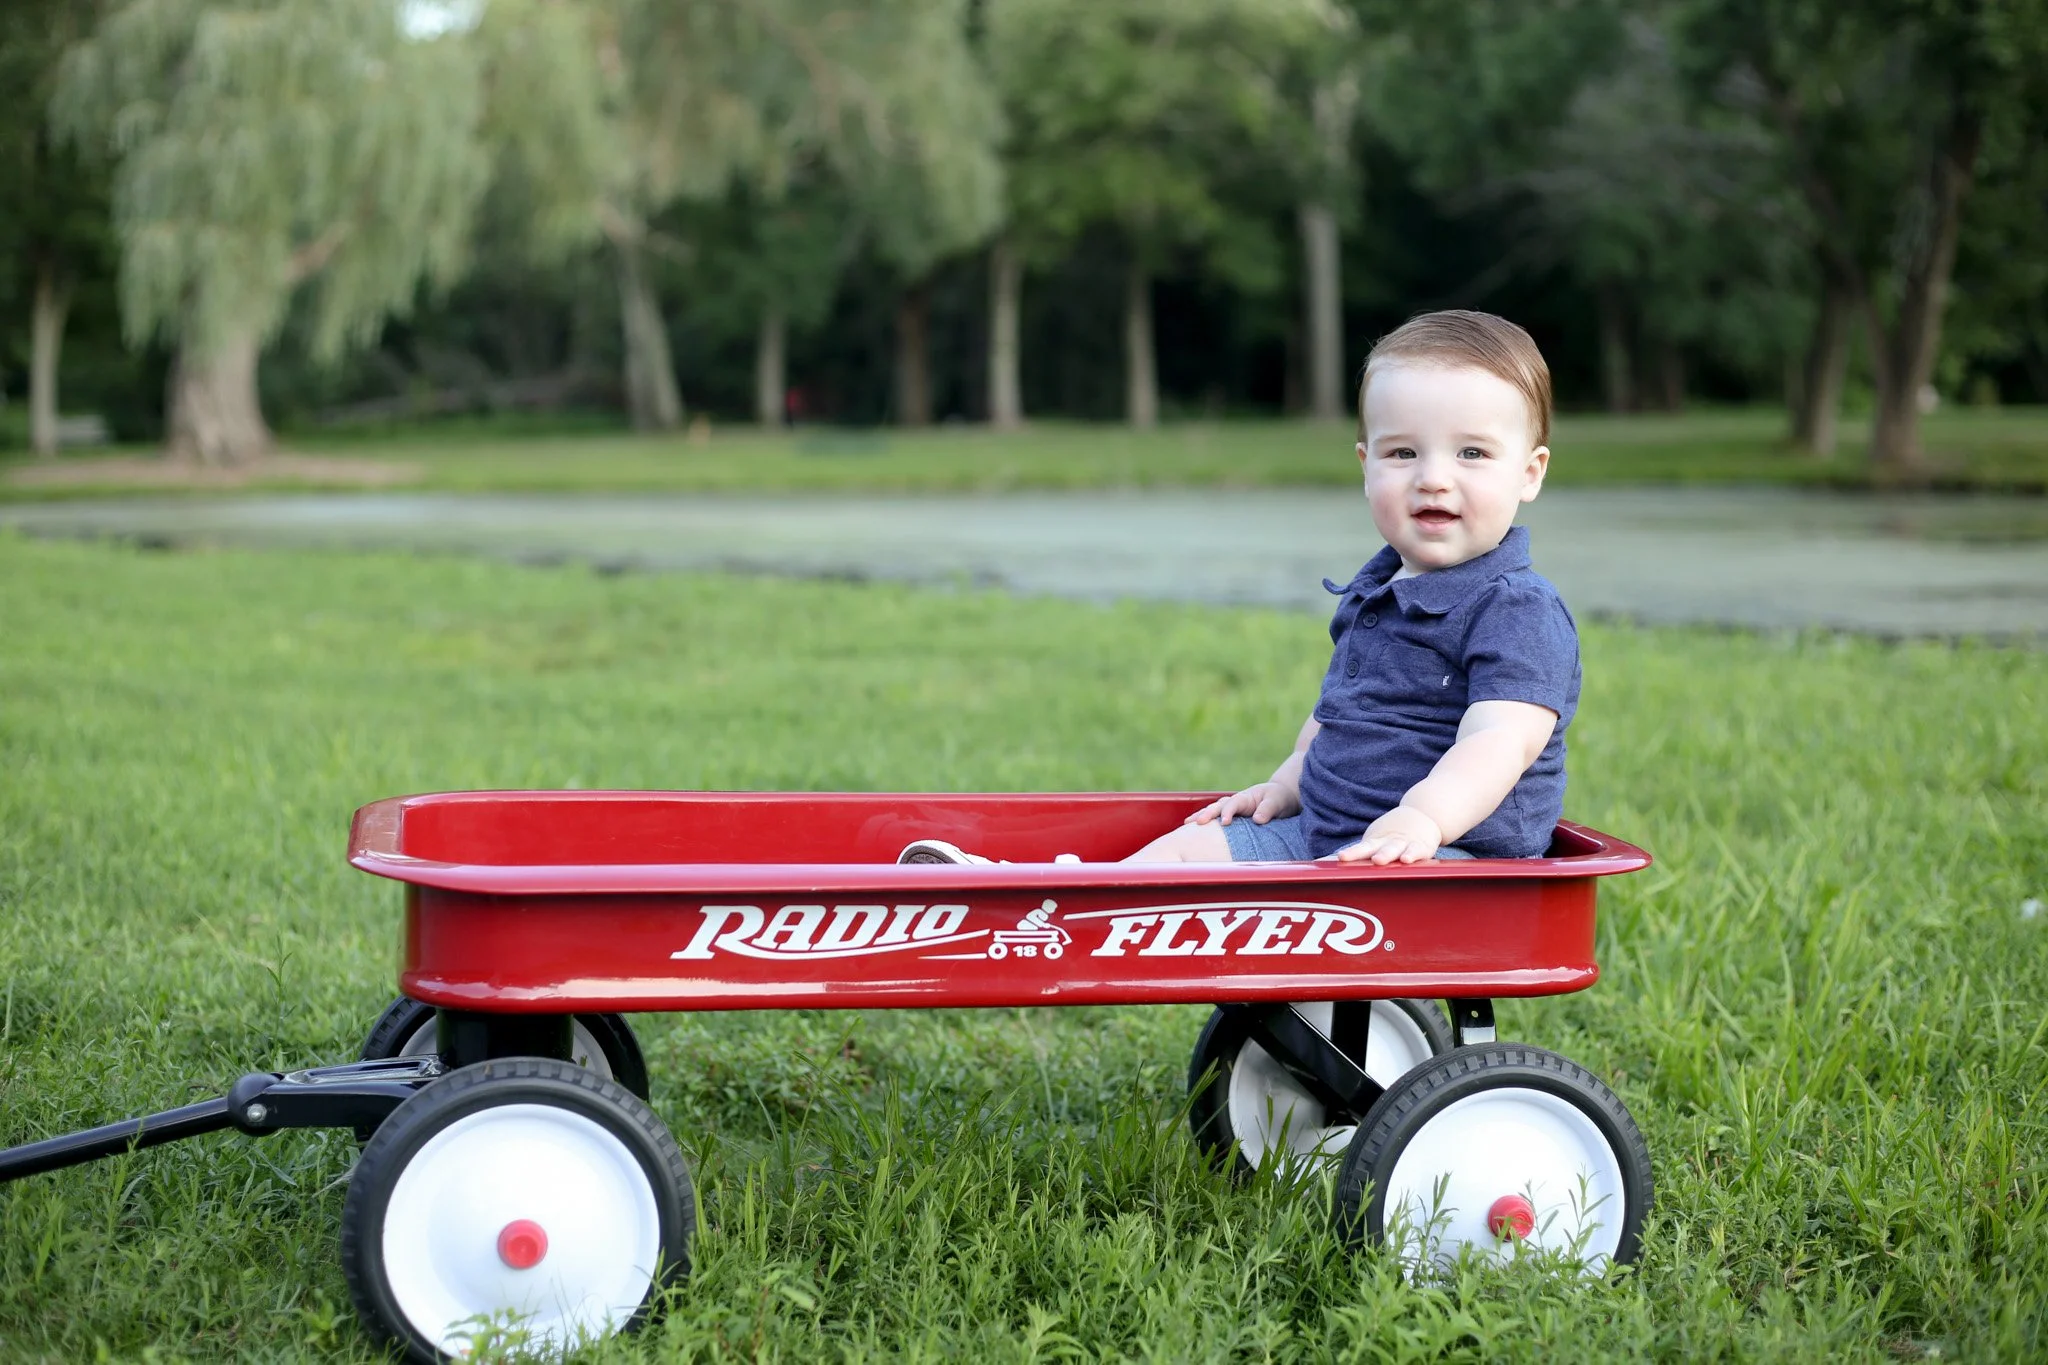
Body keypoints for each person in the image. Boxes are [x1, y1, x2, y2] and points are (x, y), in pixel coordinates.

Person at [900, 309, 1577, 869]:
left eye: (1472, 453)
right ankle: (1064, 896)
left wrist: (1423, 817)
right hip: (1330, 833)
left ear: (1529, 472)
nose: (1433, 477)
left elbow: (1499, 741)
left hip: (1455, 854)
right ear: (1367, 466)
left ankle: (1055, 902)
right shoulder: (1379, 588)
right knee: (1191, 853)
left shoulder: (1515, 608)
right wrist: (1288, 782)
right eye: (1404, 452)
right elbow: (1339, 710)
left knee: (1250, 871)